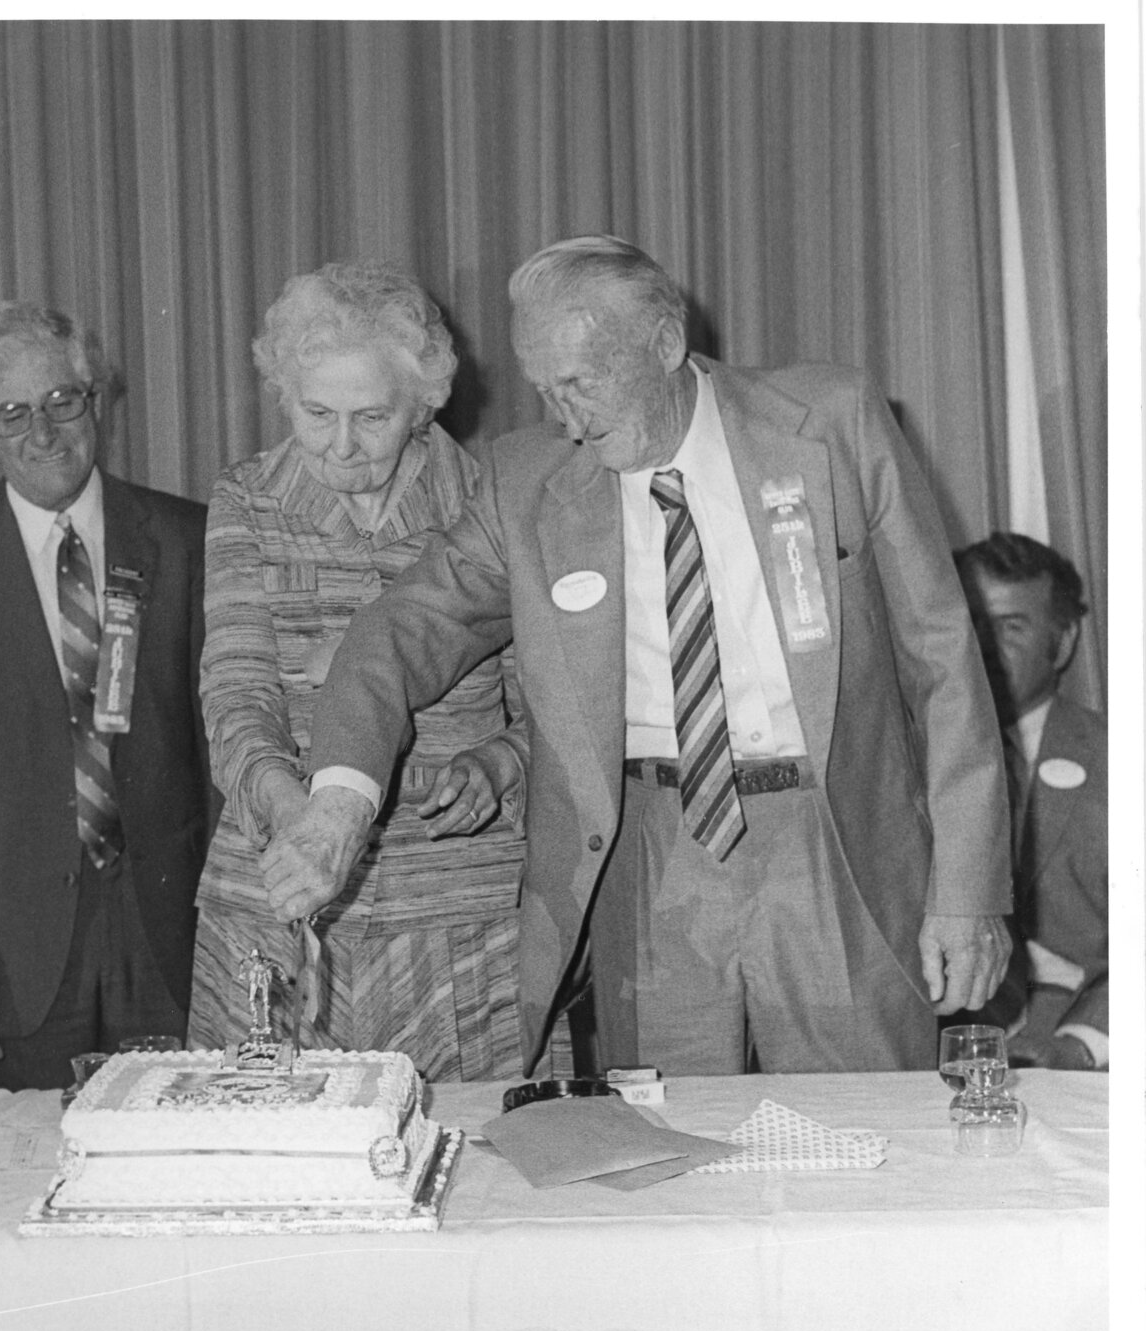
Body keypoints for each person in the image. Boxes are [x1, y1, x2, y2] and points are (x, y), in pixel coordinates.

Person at [268, 235, 1011, 1075]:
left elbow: (942, 661)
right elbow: (397, 633)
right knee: (668, 1167)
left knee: (865, 1155)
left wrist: (969, 892)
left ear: (664, 345)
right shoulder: (527, 484)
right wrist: (337, 804)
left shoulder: (829, 422)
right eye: (547, 391)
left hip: (831, 839)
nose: (567, 420)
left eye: (582, 384)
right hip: (652, 860)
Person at [190, 261, 532, 1082]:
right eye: (317, 414)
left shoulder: (494, 503)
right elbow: (237, 694)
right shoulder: (247, 502)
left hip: (456, 911)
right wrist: (294, 817)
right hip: (277, 896)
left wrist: (502, 762)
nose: (341, 447)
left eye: (372, 417)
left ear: (424, 405)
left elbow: (553, 707)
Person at [0, 302, 212, 1090]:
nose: (44, 432)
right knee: (28, 1170)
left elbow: (221, 745)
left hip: (175, 932)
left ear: (95, 399)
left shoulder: (187, 537)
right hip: (17, 949)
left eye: (63, 401)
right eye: (12, 413)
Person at [954, 533, 1106, 1070]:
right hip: (916, 1053)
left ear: (1062, 643)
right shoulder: (894, 760)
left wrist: (1081, 1046)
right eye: (971, 623)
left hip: (1072, 1053)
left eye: (1011, 627)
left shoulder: (1120, 762)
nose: (985, 646)